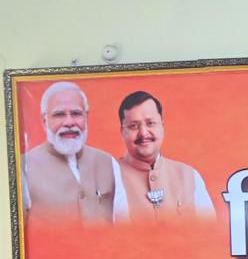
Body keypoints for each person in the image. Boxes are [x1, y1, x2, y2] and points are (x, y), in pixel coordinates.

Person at [21, 81, 128, 224]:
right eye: (59, 114)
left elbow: (124, 225)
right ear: (44, 121)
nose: (69, 122)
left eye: (76, 113)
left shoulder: (108, 162)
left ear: (86, 117)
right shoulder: (23, 167)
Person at [116, 91, 215, 222]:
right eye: (134, 126)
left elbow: (209, 231)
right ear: (123, 132)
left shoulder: (189, 176)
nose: (143, 133)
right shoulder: (110, 178)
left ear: (162, 127)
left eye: (150, 123)